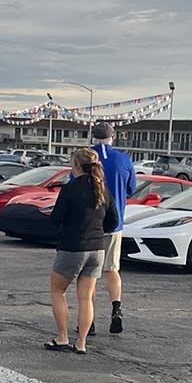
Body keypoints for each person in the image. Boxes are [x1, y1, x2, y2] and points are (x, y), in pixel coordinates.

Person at [46, 148, 120, 354]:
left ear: (77, 166)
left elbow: (56, 218)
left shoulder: (70, 188)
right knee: (86, 298)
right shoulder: (103, 189)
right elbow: (113, 221)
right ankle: (81, 343)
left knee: (57, 291)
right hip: (97, 248)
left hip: (72, 246)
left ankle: (62, 337)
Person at [90, 122, 136, 335]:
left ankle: (88, 320)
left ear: (93, 138)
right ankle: (116, 308)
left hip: (90, 225)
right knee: (112, 269)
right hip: (115, 224)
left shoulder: (86, 158)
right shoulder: (124, 159)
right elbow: (131, 189)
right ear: (112, 138)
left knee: (89, 274)